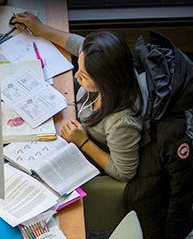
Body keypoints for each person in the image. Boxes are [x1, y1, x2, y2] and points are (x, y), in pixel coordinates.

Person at [11, 12, 142, 182]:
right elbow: (78, 45)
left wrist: (84, 143)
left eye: (85, 76)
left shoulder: (121, 123)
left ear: (106, 81)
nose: (78, 75)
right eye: (79, 67)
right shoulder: (106, 63)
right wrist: (40, 29)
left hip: (88, 147)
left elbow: (124, 172)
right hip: (76, 121)